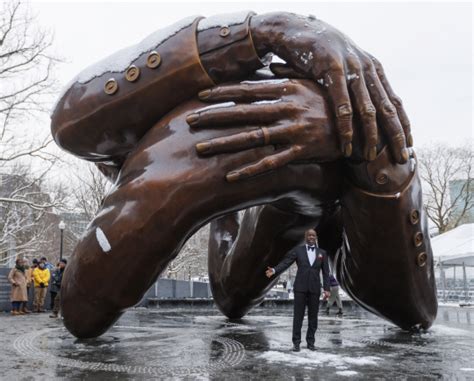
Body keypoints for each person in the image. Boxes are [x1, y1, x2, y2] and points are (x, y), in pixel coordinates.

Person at [50, 12, 436, 339]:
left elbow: (414, 309)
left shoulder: (170, 125)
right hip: (282, 182)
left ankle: (187, 187)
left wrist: (363, 141)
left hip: (295, 185)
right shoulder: (169, 131)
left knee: (232, 287)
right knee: (231, 285)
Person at [265, 229, 330, 352]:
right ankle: (296, 343)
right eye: (309, 235)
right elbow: (286, 263)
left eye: (313, 235)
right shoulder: (298, 250)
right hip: (300, 288)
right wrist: (274, 270)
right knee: (298, 316)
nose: (311, 237)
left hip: (315, 288)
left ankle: (311, 342)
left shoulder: (322, 253)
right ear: (306, 237)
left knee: (313, 317)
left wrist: (327, 289)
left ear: (316, 237)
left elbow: (326, 273)